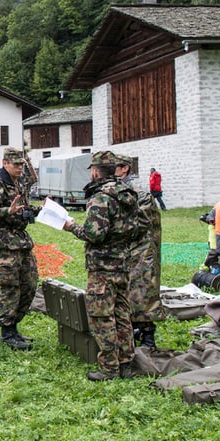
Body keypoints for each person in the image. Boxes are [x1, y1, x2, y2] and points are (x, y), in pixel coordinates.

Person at [61, 151, 139, 381]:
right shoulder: (128, 193)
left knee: (101, 316)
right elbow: (136, 228)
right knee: (122, 313)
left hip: (102, 268)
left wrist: (71, 227)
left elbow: (94, 234)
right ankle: (126, 364)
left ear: (95, 171)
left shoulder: (101, 197)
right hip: (123, 263)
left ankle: (109, 369)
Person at [0, 148, 37, 351]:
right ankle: (7, 330)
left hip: (21, 241)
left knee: (29, 285)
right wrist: (7, 211)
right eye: (16, 164)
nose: (20, 168)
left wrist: (37, 210)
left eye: (22, 164)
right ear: (5, 164)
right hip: (5, 243)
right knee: (10, 287)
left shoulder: (19, 182)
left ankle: (14, 325)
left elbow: (22, 208)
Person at [116, 155, 162, 349]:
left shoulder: (139, 194)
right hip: (128, 251)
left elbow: (137, 225)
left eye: (114, 167)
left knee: (142, 293)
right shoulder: (119, 191)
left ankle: (148, 336)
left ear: (124, 169)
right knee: (128, 292)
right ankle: (132, 330)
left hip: (143, 251)